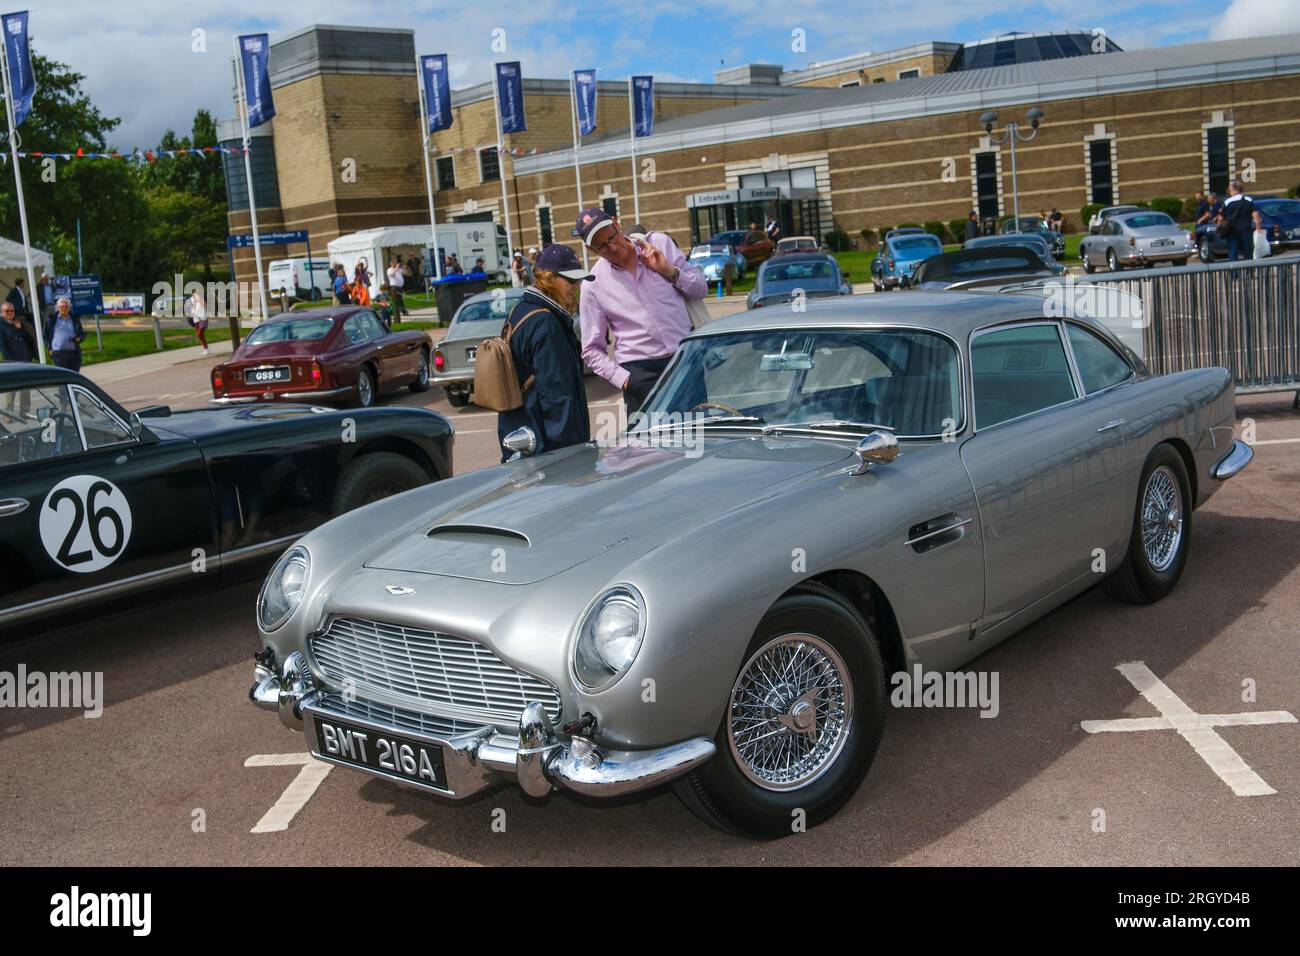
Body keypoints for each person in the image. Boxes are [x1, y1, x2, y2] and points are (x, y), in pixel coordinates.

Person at [576, 206, 706, 413]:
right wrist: (625, 380)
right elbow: (591, 350)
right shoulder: (593, 285)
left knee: (700, 439)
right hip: (641, 374)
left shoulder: (660, 244)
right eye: (602, 246)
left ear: (617, 225)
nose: (613, 248)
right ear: (592, 250)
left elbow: (700, 289)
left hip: (685, 362)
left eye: (611, 238)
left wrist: (669, 271)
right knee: (650, 445)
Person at [496, 243, 594, 461]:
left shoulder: (519, 310)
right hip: (550, 450)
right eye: (570, 280)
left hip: (524, 436)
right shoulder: (546, 324)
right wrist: (572, 454)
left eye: (578, 280)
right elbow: (557, 396)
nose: (577, 286)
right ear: (548, 277)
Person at [1222, 180, 1262, 261]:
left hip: (1231, 231)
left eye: (1230, 190)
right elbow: (1256, 215)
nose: (1229, 192)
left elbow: (1222, 218)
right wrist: (1258, 228)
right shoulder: (1248, 200)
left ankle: (1234, 271)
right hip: (1246, 229)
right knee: (1248, 252)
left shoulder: (1227, 202)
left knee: (1233, 252)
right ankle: (1249, 272)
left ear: (1234, 190)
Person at [45, 296, 85, 372]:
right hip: (58, 353)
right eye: (62, 307)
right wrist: (49, 347)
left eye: (66, 306)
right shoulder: (52, 319)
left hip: (73, 352)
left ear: (69, 308)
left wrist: (79, 338)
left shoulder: (74, 318)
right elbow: (46, 334)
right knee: (63, 375)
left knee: (74, 376)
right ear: (57, 308)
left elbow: (81, 333)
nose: (64, 308)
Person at [185, 289, 209, 355]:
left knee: (199, 333)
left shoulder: (201, 299)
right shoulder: (192, 300)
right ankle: (206, 349)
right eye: (194, 293)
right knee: (200, 335)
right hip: (196, 319)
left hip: (203, 319)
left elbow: (205, 306)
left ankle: (206, 349)